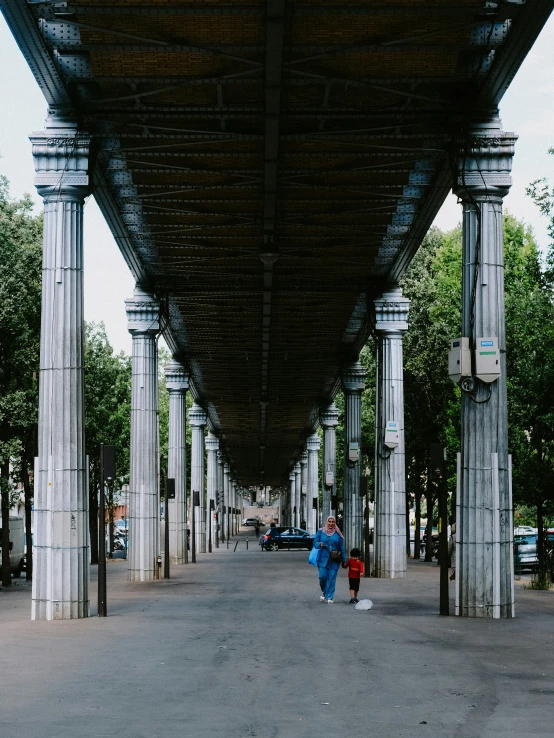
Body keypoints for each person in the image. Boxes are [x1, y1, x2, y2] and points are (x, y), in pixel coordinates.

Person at [313, 516, 346, 604]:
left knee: (331, 578)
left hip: (334, 560)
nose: (331, 523)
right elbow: (314, 544)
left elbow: (342, 547)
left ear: (335, 523)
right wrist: (319, 544)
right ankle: (325, 592)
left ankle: (329, 597)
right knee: (322, 577)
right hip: (323, 559)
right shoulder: (320, 531)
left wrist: (344, 559)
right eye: (329, 521)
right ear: (327, 522)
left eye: (333, 522)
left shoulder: (338, 534)